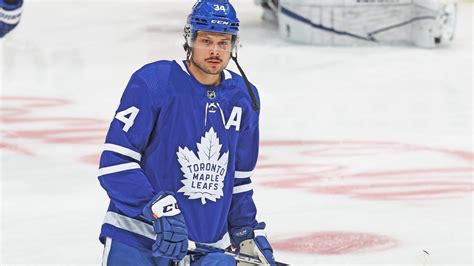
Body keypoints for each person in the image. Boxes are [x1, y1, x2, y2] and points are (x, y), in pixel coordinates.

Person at [97, 0, 276, 265]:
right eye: (206, 40)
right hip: (138, 239)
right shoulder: (155, 81)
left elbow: (239, 180)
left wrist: (245, 231)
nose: (215, 50)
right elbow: (114, 164)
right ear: (190, 39)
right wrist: (157, 208)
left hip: (208, 249)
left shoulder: (244, 98)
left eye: (223, 42)